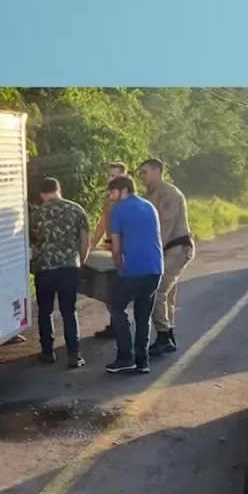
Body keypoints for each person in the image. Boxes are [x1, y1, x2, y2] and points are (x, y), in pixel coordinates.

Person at [103, 175, 163, 374]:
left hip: (134, 269)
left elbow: (116, 248)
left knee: (116, 306)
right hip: (155, 269)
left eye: (113, 192)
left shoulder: (118, 210)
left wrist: (120, 268)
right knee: (143, 314)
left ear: (123, 190)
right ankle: (142, 360)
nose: (111, 197)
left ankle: (125, 356)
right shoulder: (149, 206)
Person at [29, 177, 90, 368]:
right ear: (59, 189)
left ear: (41, 194)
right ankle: (74, 355)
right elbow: (84, 240)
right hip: (69, 268)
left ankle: (47, 352)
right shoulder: (76, 209)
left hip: (44, 270)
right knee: (68, 311)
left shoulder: (36, 215)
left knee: (45, 312)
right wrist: (81, 262)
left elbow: (31, 244)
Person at [137, 158, 194, 357]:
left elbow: (165, 225)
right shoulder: (151, 194)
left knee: (157, 291)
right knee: (167, 294)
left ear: (157, 171)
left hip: (175, 247)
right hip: (168, 248)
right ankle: (168, 336)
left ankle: (163, 336)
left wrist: (153, 251)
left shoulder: (168, 192)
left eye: (144, 172)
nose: (141, 176)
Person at [89, 161, 129, 340]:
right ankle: (116, 323)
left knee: (118, 289)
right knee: (110, 289)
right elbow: (103, 221)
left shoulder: (129, 199)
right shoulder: (109, 199)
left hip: (123, 247)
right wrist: (92, 244)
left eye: (114, 176)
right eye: (109, 175)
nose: (110, 179)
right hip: (111, 245)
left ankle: (120, 325)